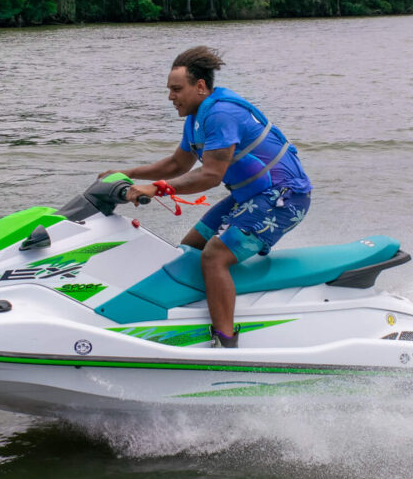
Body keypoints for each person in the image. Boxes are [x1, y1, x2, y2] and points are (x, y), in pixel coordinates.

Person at [100, 46, 311, 348]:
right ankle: (195, 315)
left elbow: (210, 175)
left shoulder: (221, 114)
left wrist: (156, 188)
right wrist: (125, 173)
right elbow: (176, 165)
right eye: (169, 90)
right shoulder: (196, 118)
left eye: (176, 89)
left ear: (200, 86)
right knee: (190, 248)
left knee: (214, 256)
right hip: (252, 194)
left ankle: (225, 341)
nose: (170, 96)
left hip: (284, 198)